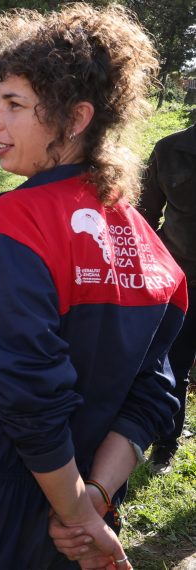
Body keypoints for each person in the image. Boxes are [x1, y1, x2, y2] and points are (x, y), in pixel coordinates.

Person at [0, 5, 185, 569]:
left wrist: (77, 514)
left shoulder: (15, 225)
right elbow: (153, 395)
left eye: (13, 104)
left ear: (75, 119)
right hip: (70, 513)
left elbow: (26, 393)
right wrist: (92, 498)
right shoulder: (150, 245)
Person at [138, 123, 196, 473]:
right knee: (172, 366)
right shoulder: (169, 149)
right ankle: (165, 445)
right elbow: (144, 215)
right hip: (181, 281)